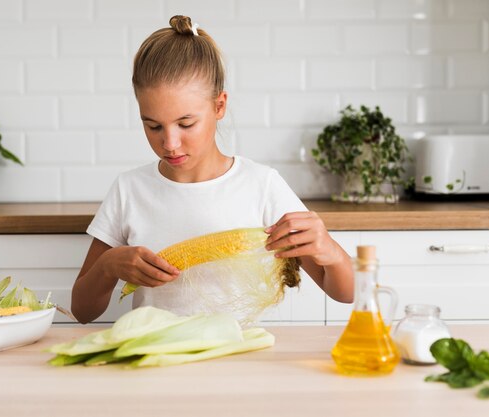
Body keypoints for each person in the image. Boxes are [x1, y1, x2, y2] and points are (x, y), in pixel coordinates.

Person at [71, 15, 354, 324]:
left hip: (236, 361)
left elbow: (344, 292)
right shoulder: (130, 189)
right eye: (153, 126)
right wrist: (107, 266)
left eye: (186, 123)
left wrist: (331, 251)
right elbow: (83, 311)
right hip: (156, 362)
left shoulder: (261, 185)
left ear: (219, 106)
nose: (170, 143)